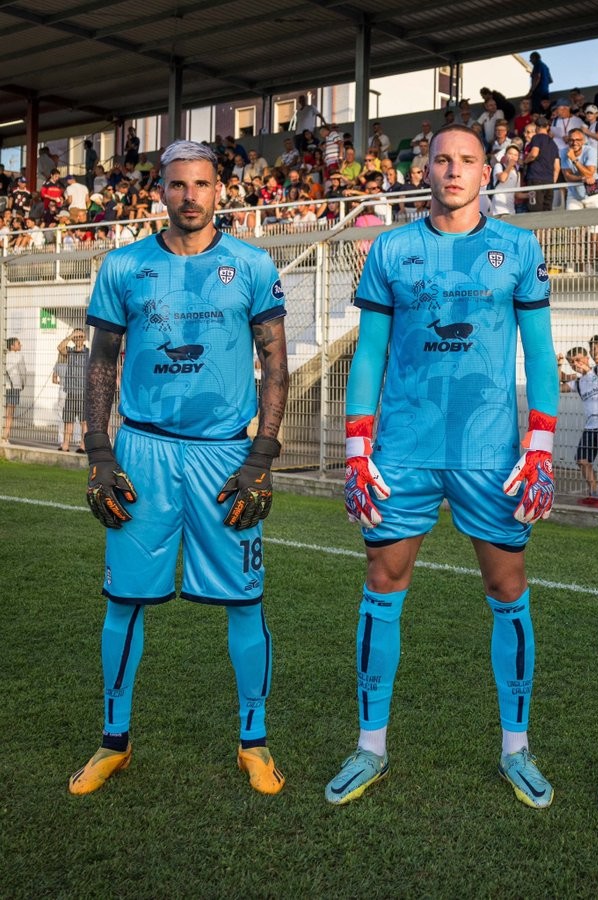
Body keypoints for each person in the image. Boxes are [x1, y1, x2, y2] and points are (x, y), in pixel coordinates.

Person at [327, 124, 558, 809]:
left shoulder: (518, 246)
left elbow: (541, 353)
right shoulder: (393, 248)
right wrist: (357, 449)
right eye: (442, 159)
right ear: (423, 168)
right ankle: (371, 747)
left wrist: (540, 445)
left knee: (508, 586)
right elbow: (367, 354)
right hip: (402, 450)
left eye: (467, 161)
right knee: (382, 580)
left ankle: (517, 749)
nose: (453, 171)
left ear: (488, 172)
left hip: (492, 454)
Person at [67, 140, 289, 797]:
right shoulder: (124, 265)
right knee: (124, 600)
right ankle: (114, 742)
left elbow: (275, 364)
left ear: (220, 190)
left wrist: (262, 456)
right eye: (177, 185)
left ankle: (254, 744)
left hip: (225, 454)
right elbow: (101, 361)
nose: (190, 196)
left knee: (245, 601)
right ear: (159, 191)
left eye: (202, 184)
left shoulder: (250, 263)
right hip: (143, 451)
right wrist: (99, 453)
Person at [559, 335, 598, 506]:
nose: (575, 364)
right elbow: (561, 384)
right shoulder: (579, 381)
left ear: (587, 358)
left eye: (578, 360)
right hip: (591, 427)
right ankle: (595, 493)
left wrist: (586, 370)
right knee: (582, 460)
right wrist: (558, 366)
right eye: (572, 362)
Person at [57, 328, 89, 452]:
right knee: (68, 420)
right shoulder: (70, 352)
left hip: (83, 391)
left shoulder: (88, 352)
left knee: (84, 421)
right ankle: (65, 445)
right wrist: (71, 335)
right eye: (76, 337)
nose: (78, 339)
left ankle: (83, 446)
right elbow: (60, 348)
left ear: (85, 338)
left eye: (80, 336)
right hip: (70, 391)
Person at [3, 337, 27, 445]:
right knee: (10, 414)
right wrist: (22, 384)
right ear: (12, 346)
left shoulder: (4, 356)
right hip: (14, 387)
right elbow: (23, 372)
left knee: (3, 413)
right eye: (18, 343)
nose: (20, 345)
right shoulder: (19, 356)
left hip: (4, 387)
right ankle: (5, 437)